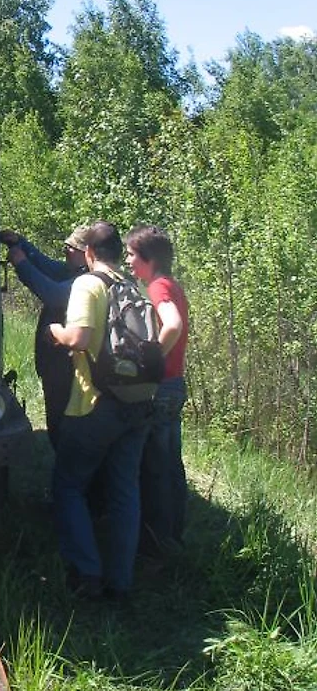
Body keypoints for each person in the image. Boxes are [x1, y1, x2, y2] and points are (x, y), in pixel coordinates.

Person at [48, 221, 154, 600]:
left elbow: (78, 339)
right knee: (125, 490)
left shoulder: (88, 284)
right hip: (138, 402)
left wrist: (56, 331)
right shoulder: (132, 286)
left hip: (95, 403)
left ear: (90, 253)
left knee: (69, 487)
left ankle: (86, 574)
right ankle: (121, 581)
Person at [125, 225, 189, 559]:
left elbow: (173, 324)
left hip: (162, 386)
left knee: (155, 468)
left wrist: (151, 360)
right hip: (175, 384)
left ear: (149, 259)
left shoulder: (159, 287)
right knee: (170, 464)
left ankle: (158, 545)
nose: (128, 260)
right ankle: (174, 535)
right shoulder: (172, 284)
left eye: (132, 254)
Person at [0, 226, 88, 448]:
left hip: (67, 366)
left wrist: (21, 264)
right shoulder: (72, 271)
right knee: (57, 419)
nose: (65, 251)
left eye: (70, 248)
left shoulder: (84, 280)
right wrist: (19, 243)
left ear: (87, 253)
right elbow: (45, 265)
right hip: (57, 364)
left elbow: (52, 293)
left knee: (63, 424)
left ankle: (67, 471)